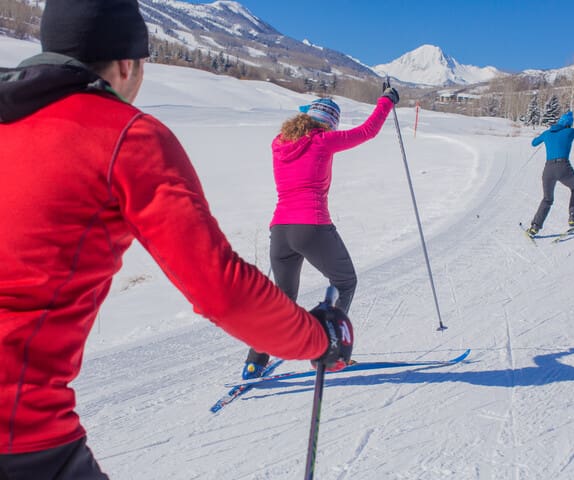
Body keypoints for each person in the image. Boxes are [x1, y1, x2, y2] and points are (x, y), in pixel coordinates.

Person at [0, 1, 352, 478]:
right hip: (18, 433)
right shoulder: (126, 135)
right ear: (127, 64)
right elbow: (219, 288)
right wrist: (318, 339)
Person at [242, 86, 399, 379]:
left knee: (283, 299)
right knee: (345, 281)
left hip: (280, 231)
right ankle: (331, 352)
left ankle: (255, 362)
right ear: (329, 124)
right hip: (311, 225)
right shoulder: (324, 141)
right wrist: (386, 100)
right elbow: (367, 131)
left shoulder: (278, 143)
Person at [525, 110, 574, 237]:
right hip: (563, 167)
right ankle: (573, 217)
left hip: (548, 170)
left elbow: (534, 143)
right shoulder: (569, 131)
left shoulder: (548, 133)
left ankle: (535, 227)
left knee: (547, 199)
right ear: (568, 124)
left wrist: (546, 136)